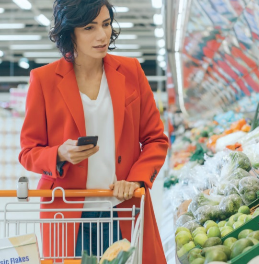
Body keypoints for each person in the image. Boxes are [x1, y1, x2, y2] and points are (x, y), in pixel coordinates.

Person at [18, 0, 169, 262]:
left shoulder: (131, 72)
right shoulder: (43, 80)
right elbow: (28, 152)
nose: (102, 35)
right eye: (89, 27)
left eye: (106, 24)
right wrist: (59, 154)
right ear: (70, 32)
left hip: (122, 208)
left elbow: (156, 139)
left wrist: (134, 180)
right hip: (66, 214)